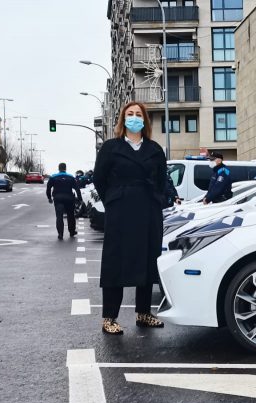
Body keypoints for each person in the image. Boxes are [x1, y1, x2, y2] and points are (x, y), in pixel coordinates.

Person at [93, 101, 167, 335]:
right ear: (123, 119)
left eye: (138, 114)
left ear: (144, 120)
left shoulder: (155, 149)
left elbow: (162, 180)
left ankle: (144, 313)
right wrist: (113, 201)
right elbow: (99, 179)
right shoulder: (110, 147)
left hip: (148, 211)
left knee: (147, 260)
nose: (134, 117)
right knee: (116, 263)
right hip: (120, 212)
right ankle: (109, 317)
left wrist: (156, 199)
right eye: (130, 114)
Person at [46, 163, 83, 240]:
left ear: (58, 168)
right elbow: (77, 189)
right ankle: (72, 231)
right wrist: (80, 199)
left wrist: (49, 198)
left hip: (58, 198)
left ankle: (60, 234)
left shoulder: (53, 177)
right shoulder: (71, 177)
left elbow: (48, 188)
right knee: (71, 215)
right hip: (69, 198)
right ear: (65, 168)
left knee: (59, 216)